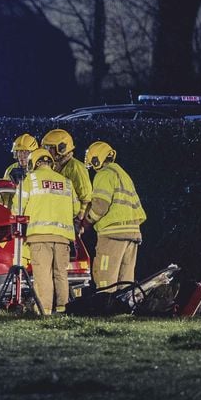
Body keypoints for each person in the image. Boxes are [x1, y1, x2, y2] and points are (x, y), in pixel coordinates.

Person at [20, 148, 80, 315]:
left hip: (39, 235)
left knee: (43, 274)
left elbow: (18, 208)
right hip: (63, 237)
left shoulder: (30, 179)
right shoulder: (66, 182)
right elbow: (76, 209)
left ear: (34, 163)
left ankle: (44, 310)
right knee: (61, 273)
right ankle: (62, 308)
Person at [84, 141, 147, 290]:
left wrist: (87, 221)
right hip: (132, 233)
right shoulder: (123, 174)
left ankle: (106, 306)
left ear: (96, 159)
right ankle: (123, 308)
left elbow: (100, 205)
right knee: (125, 278)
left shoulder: (104, 175)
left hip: (112, 234)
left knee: (105, 275)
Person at [41, 129, 92, 221]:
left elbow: (86, 196)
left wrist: (79, 220)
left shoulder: (76, 167)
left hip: (72, 218)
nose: (47, 151)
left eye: (50, 148)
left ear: (61, 148)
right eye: (45, 148)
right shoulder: (53, 167)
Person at [1, 133, 39, 208]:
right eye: (19, 152)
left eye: (26, 152)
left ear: (34, 153)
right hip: (13, 211)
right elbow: (3, 194)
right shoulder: (10, 169)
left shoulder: (38, 169)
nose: (22, 156)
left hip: (32, 210)